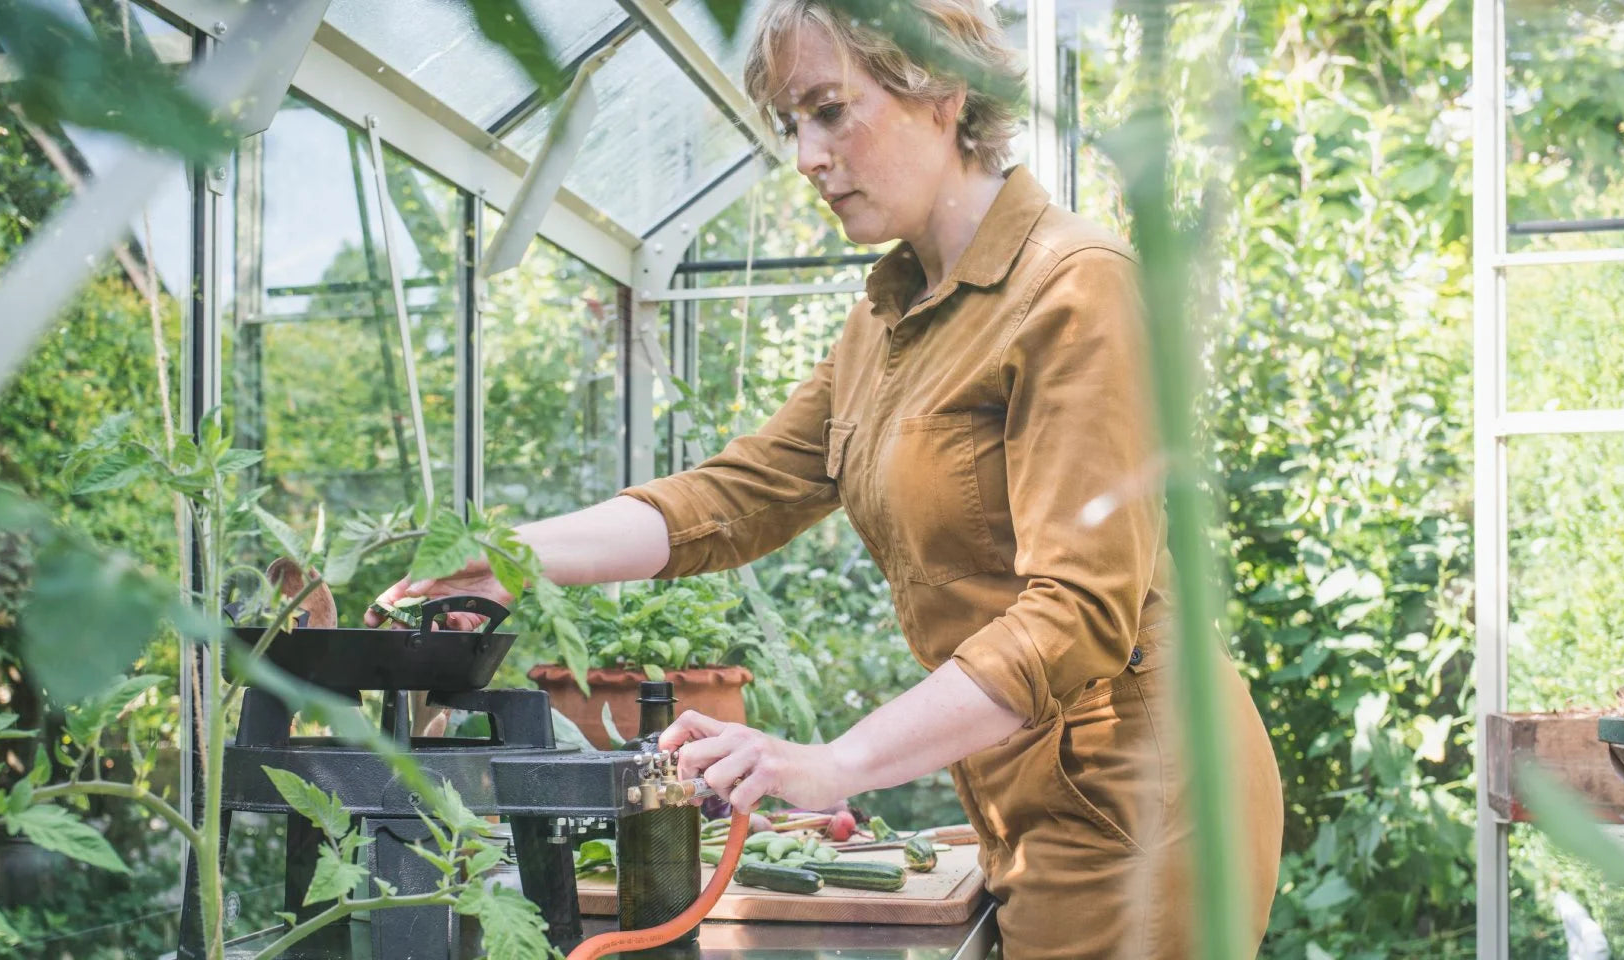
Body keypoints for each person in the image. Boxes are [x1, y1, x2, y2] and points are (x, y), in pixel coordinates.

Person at [370, 0, 1282, 954]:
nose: (806, 156)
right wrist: (511, 559)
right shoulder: (889, 320)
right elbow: (734, 497)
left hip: (1144, 799)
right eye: (790, 123)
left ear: (941, 89)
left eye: (831, 110)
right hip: (1032, 790)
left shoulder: (1073, 285)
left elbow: (1077, 613)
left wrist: (832, 763)